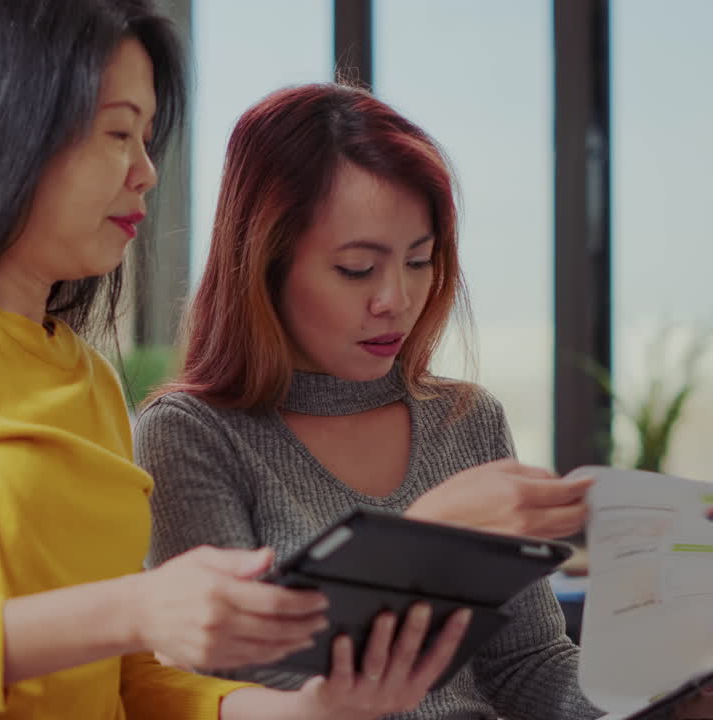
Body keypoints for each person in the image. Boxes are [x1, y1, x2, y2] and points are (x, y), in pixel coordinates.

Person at [0, 5, 445, 719]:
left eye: (148, 140)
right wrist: (133, 606)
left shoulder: (88, 377)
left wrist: (307, 711)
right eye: (119, 132)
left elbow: (123, 681)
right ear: (6, 126)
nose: (146, 173)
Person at [135, 83, 603, 720]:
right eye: (358, 268)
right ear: (264, 264)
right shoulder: (193, 434)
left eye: (420, 260)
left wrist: (656, 700)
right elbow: (241, 684)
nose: (397, 300)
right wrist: (426, 539)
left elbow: (529, 667)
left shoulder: (466, 420)